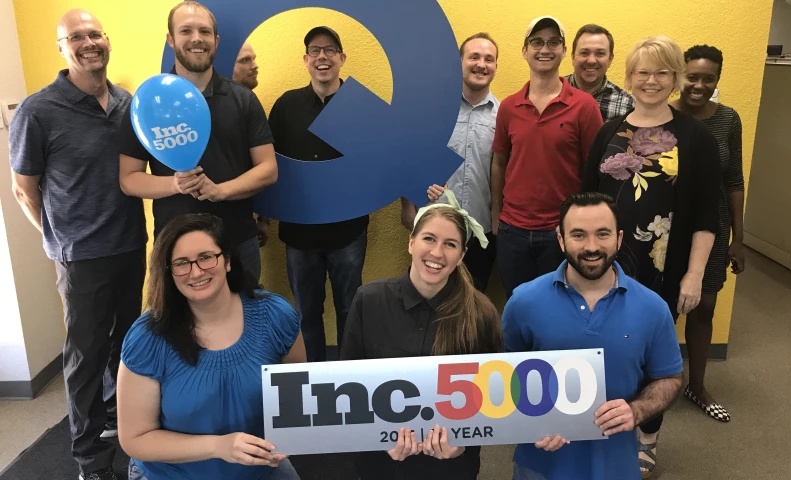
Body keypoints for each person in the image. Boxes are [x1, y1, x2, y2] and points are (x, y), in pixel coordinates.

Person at [9, 10, 146, 480]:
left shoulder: (127, 103)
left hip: (130, 243)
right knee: (85, 357)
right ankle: (90, 458)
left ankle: (118, 420)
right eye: (76, 37)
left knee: (127, 346)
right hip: (80, 256)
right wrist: (57, 238)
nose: (88, 43)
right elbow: (23, 188)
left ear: (106, 41)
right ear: (62, 48)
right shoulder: (38, 111)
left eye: (94, 34)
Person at [581, 36, 721, 478]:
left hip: (663, 270)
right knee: (604, 350)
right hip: (603, 267)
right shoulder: (609, 131)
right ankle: (599, 425)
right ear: (629, 77)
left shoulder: (695, 138)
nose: (652, 81)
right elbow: (586, 199)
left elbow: (707, 216)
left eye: (662, 72)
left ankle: (647, 439)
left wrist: (694, 275)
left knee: (650, 359)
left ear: (675, 78)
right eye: (642, 72)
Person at [502, 192, 683, 480]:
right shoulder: (523, 303)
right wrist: (529, 423)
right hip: (540, 465)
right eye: (578, 235)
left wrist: (636, 411)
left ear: (619, 239)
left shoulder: (653, 308)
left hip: (616, 466)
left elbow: (670, 378)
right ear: (561, 240)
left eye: (602, 234)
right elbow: (505, 378)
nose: (592, 247)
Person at [117, 213, 306, 480]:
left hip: (260, 466)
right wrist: (219, 446)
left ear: (227, 260)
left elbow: (297, 397)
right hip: (173, 475)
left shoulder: (276, 315)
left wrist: (289, 436)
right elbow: (135, 439)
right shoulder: (147, 338)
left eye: (206, 257)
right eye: (181, 263)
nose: (196, 272)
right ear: (169, 273)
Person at [340, 190, 503, 480]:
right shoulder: (369, 300)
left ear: (462, 255)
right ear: (411, 242)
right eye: (429, 238)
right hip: (381, 464)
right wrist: (377, 438)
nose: (437, 253)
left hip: (449, 468)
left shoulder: (481, 314)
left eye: (450, 244)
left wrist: (463, 443)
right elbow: (348, 386)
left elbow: (493, 398)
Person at [118, 1, 277, 281]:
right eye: (186, 31)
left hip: (238, 242)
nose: (196, 39)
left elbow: (268, 169)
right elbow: (129, 179)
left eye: (204, 31)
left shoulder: (243, 99)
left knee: (246, 311)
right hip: (176, 247)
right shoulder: (147, 104)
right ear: (171, 39)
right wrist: (175, 184)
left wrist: (221, 191)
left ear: (216, 40)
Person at [268, 26, 368, 362]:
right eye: (314, 50)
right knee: (305, 313)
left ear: (342, 58)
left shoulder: (361, 105)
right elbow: (268, 163)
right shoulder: (287, 106)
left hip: (348, 230)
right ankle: (313, 381)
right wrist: (263, 216)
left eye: (329, 50)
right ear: (305, 59)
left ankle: (350, 379)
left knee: (349, 310)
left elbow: (381, 160)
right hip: (300, 232)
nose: (322, 57)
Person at [491, 16, 603, 299]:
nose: (545, 49)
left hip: (562, 232)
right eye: (537, 42)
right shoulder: (508, 107)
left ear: (564, 51)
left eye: (554, 42)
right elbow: (499, 162)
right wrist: (496, 216)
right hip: (512, 230)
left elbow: (595, 170)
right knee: (518, 305)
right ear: (524, 50)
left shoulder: (584, 106)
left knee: (561, 308)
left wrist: (586, 225)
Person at [670, 44, 743, 423]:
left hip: (713, 228)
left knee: (705, 306)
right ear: (680, 75)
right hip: (667, 226)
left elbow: (734, 180)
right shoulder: (662, 115)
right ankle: (651, 383)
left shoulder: (728, 119)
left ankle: (697, 386)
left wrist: (739, 238)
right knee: (659, 309)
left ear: (718, 80)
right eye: (692, 77)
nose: (699, 85)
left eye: (708, 79)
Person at [400, 32, 500, 292]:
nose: (481, 64)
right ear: (459, 63)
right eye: (474, 57)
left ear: (495, 66)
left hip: (480, 231)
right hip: (433, 225)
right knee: (429, 297)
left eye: (489, 59)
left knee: (473, 300)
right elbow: (410, 156)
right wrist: (407, 206)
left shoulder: (503, 116)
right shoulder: (434, 110)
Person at [231, 41, 272, 248]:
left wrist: (263, 218)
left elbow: (265, 167)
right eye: (245, 60)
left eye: (254, 58)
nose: (255, 65)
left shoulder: (250, 104)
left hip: (244, 226)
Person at [567, 24, 635, 122]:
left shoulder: (626, 105)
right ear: (573, 57)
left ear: (610, 60)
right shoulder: (553, 93)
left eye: (600, 53)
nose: (591, 61)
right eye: (584, 53)